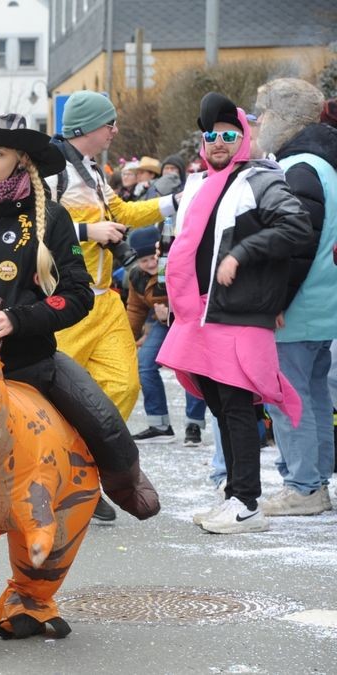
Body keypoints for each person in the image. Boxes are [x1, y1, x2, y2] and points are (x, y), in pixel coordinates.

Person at [0, 113, 158, 522]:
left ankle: (117, 484)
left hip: (29, 366)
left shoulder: (51, 218)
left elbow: (76, 296)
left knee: (103, 421)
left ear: (21, 160)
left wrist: (19, 319)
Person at [157, 92, 312, 535]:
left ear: (245, 137)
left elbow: (296, 227)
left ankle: (247, 502)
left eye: (229, 134)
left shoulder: (260, 179)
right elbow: (187, 244)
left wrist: (243, 252)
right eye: (212, 136)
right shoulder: (202, 184)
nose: (219, 142)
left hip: (237, 313)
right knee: (221, 407)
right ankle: (233, 494)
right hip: (200, 314)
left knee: (238, 407)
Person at [46, 91, 179, 521]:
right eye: (110, 123)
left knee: (123, 386)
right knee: (54, 401)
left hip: (106, 303)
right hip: (65, 301)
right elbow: (35, 229)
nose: (115, 130)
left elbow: (122, 212)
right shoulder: (49, 172)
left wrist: (174, 202)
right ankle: (55, 478)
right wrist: (88, 231)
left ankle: (81, 469)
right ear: (85, 128)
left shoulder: (94, 170)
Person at [252, 78, 336, 516]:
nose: (259, 122)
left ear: (284, 118)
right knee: (315, 393)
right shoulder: (321, 163)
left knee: (288, 397)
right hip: (322, 305)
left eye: (263, 114)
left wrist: (275, 302)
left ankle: (304, 487)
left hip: (298, 308)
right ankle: (317, 481)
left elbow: (296, 243)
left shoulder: (299, 167)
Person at [124, 227, 207, 444]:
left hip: (189, 320)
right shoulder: (135, 277)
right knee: (145, 364)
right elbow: (135, 310)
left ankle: (194, 423)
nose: (150, 264)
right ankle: (159, 424)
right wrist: (126, 341)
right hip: (162, 323)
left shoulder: (178, 264)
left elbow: (193, 294)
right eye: (144, 261)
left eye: (153, 258)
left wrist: (170, 311)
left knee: (191, 367)